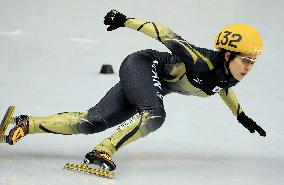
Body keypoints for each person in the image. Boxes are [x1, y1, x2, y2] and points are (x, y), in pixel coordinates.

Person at [5, 9, 266, 171]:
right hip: (142, 64)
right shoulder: (201, 60)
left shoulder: (229, 76)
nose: (248, 68)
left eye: (253, 62)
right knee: (155, 114)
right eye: (245, 60)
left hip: (148, 85)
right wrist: (124, 20)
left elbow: (222, 88)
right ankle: (103, 150)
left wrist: (240, 115)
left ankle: (29, 124)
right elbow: (165, 34)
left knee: (93, 121)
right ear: (228, 55)